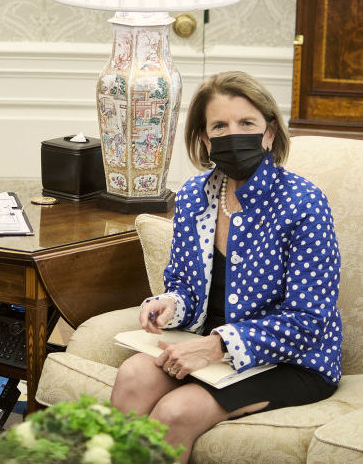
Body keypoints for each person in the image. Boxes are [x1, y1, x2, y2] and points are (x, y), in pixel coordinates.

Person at [110, 71, 342, 463]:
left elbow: (308, 318)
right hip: (204, 348)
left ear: (268, 133)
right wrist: (170, 304)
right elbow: (184, 284)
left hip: (292, 360)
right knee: (132, 376)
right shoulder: (192, 196)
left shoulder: (304, 203)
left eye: (246, 123)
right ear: (205, 138)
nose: (234, 134)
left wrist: (217, 346)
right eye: (220, 125)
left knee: (175, 412)